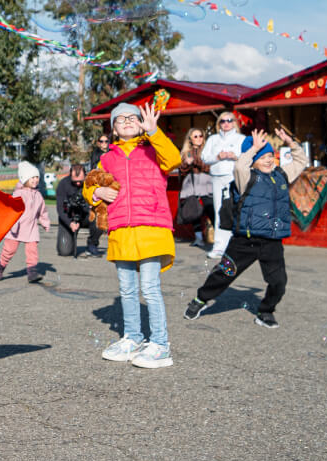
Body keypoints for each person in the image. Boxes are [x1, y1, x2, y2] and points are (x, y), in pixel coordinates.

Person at [184, 126, 307, 329]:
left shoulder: (281, 175)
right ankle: (201, 299)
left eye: (270, 156)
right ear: (253, 159)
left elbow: (301, 161)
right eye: (263, 156)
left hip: (272, 241)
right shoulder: (246, 177)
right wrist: (252, 149)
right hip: (244, 241)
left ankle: (265, 311)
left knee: (279, 282)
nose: (268, 160)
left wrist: (291, 143)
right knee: (223, 274)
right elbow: (239, 166)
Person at [92, 102, 181, 369]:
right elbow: (91, 184)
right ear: (114, 130)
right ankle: (133, 338)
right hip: (121, 230)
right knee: (127, 289)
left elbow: (175, 159)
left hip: (152, 226)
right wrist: (96, 194)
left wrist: (154, 133)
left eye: (133, 117)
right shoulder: (107, 159)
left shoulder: (154, 148)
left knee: (150, 289)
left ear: (142, 122)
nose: (128, 121)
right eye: (121, 120)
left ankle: (161, 345)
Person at [0, 162, 50, 283]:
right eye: (32, 177)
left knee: (32, 251)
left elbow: (42, 211)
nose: (35, 180)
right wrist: (11, 223)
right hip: (16, 227)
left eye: (37, 177)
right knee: (9, 251)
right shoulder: (18, 194)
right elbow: (11, 210)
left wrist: (45, 222)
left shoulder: (38, 195)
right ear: (25, 179)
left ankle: (32, 273)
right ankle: (0, 266)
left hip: (31, 228)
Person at [200, 110, 245, 262]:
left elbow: (247, 156)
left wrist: (234, 156)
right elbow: (204, 157)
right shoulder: (213, 139)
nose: (226, 124)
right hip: (217, 177)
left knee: (234, 209)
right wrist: (218, 157)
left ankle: (235, 245)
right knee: (220, 209)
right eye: (223, 121)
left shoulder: (241, 138)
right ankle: (219, 245)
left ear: (234, 122)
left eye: (229, 120)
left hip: (234, 176)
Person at [176, 127, 214, 248]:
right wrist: (186, 163)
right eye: (195, 136)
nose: (198, 139)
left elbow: (209, 167)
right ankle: (198, 238)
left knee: (211, 209)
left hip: (206, 183)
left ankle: (218, 237)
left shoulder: (208, 150)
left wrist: (196, 161)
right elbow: (181, 170)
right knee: (194, 210)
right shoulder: (187, 152)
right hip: (192, 184)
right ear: (190, 139)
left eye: (200, 136)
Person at [53, 162, 93, 257]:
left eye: (80, 181)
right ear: (70, 175)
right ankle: (69, 240)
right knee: (64, 252)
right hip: (68, 218)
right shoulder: (63, 184)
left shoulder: (90, 183)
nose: (78, 183)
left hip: (85, 216)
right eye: (75, 181)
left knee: (98, 218)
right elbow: (60, 209)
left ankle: (92, 245)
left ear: (85, 175)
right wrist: (69, 223)